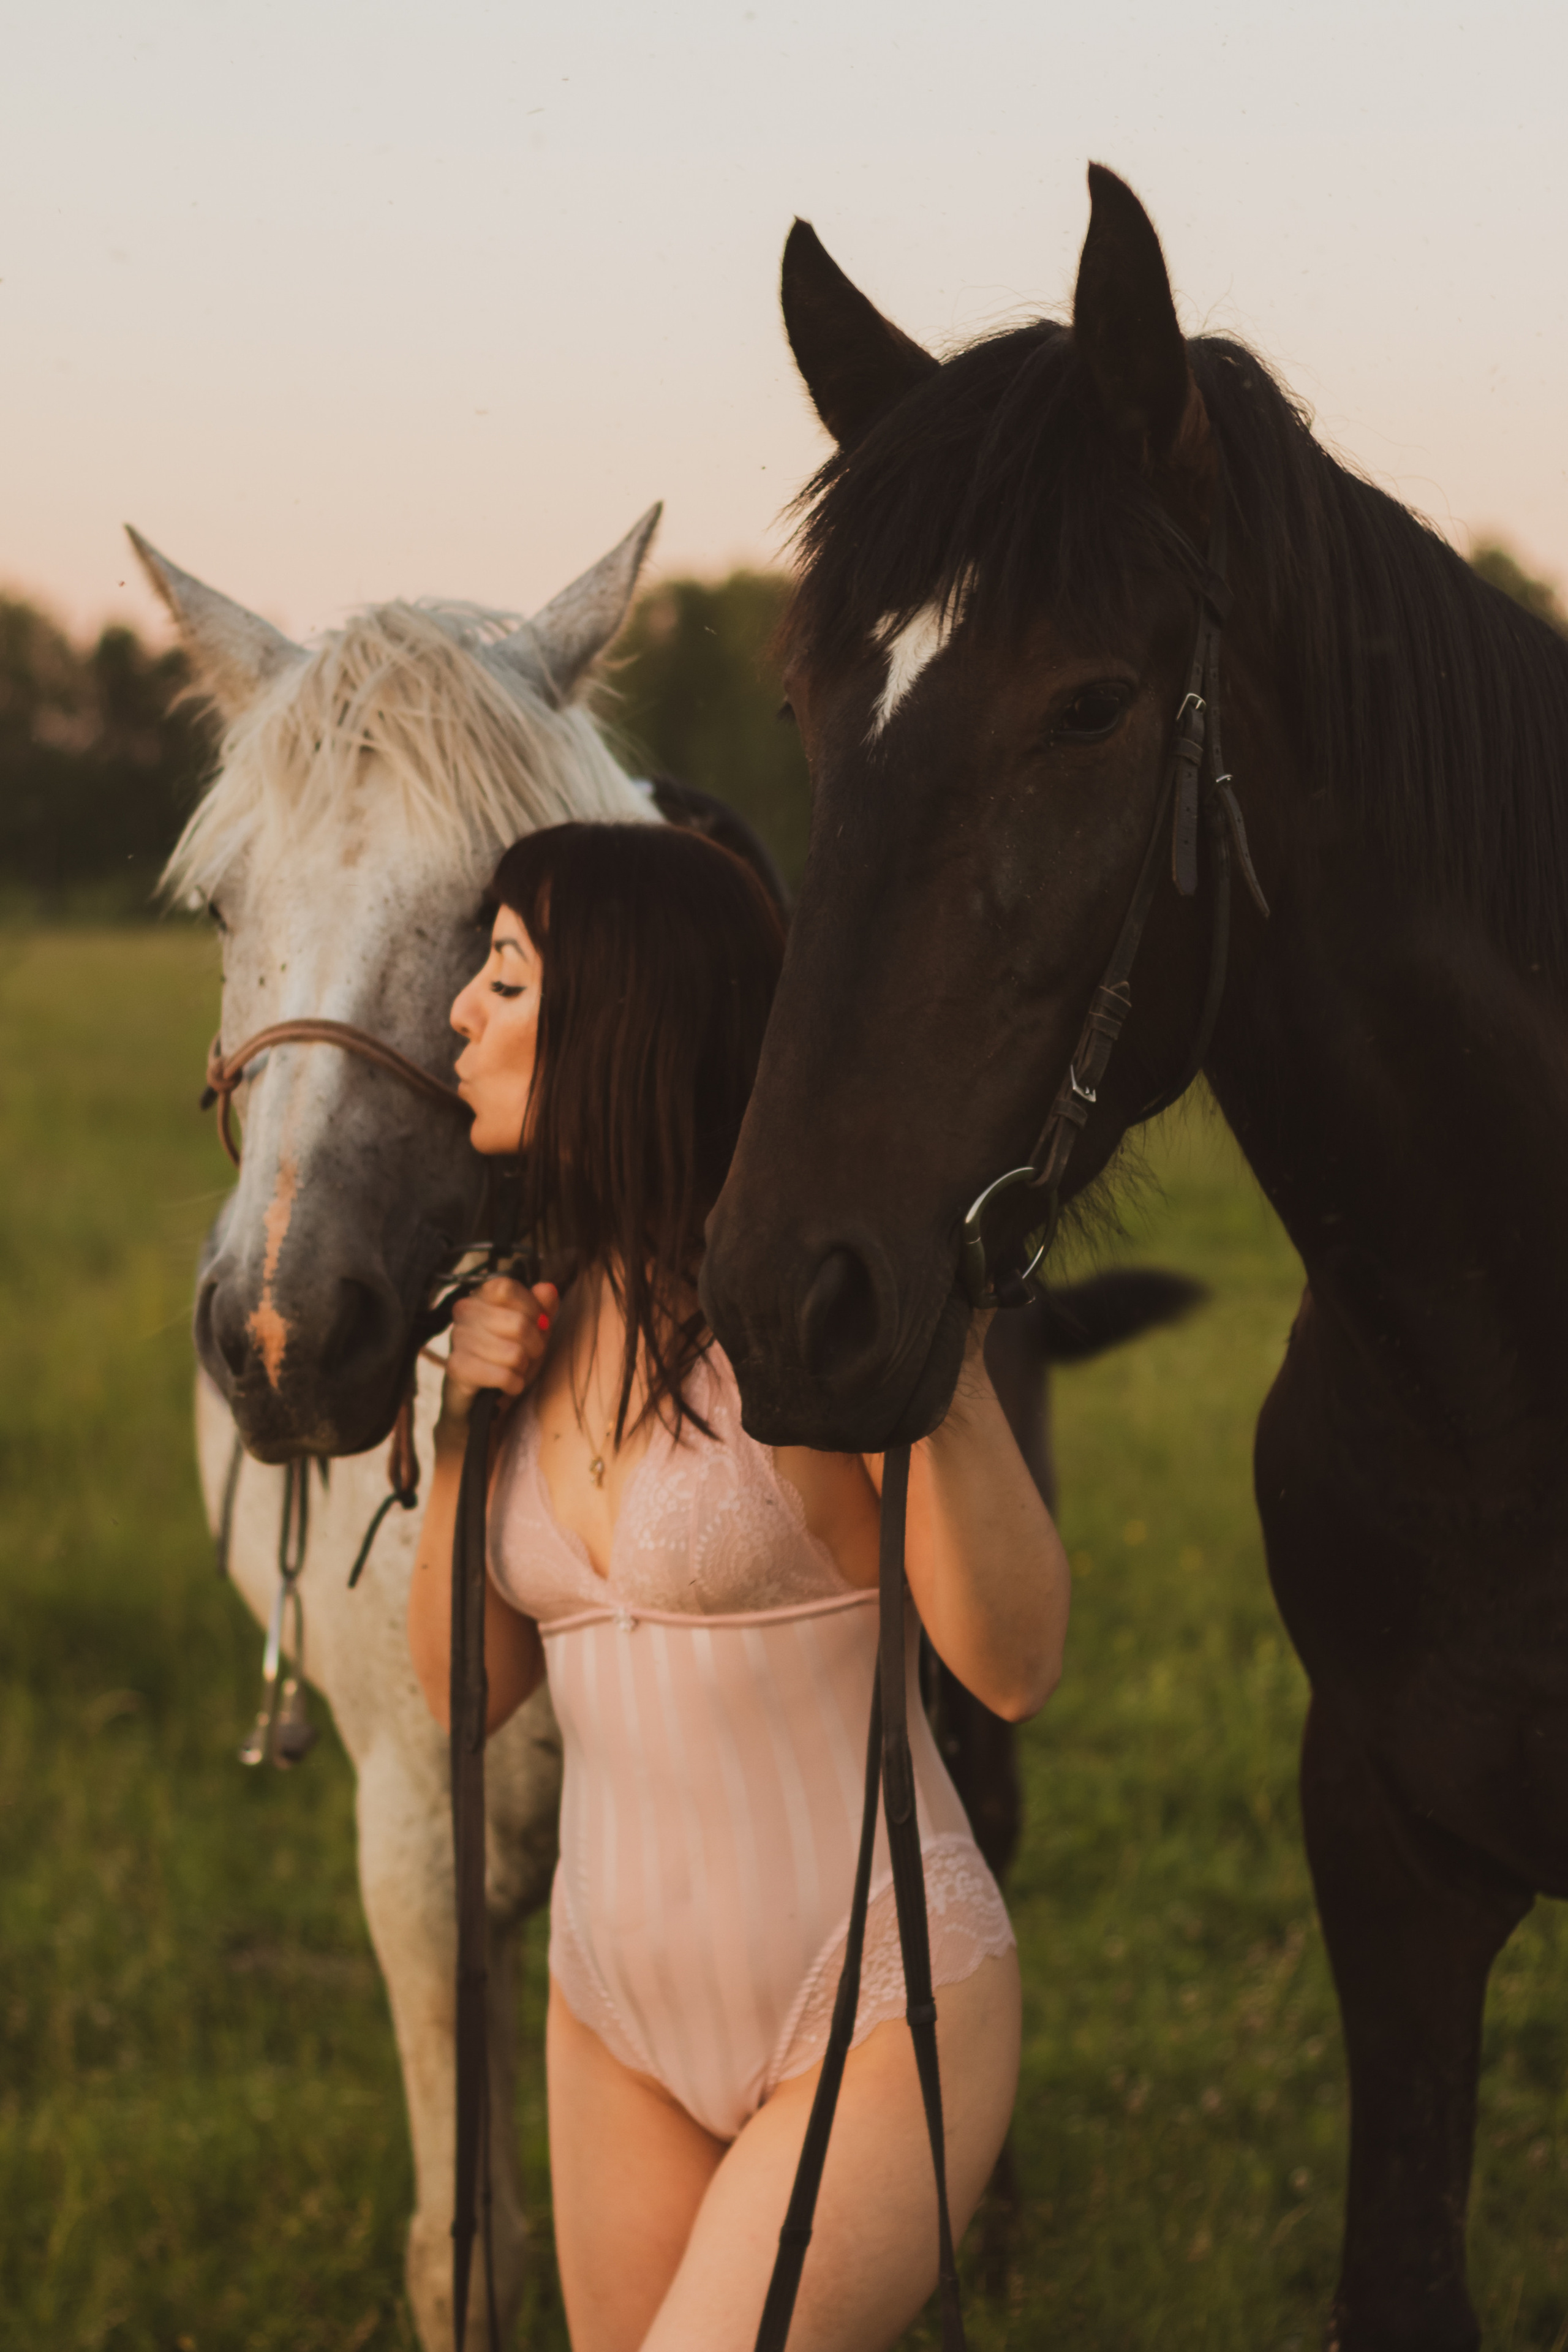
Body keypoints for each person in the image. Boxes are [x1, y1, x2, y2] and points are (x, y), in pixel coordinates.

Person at [408, 820, 1071, 2352]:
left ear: (620, 1025)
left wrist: (935, 1364)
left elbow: (1016, 1666)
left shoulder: (808, 1332)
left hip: (875, 2002)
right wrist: (457, 1435)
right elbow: (465, 1698)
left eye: (504, 980)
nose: (459, 1012)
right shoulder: (532, 1324)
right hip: (611, 2017)